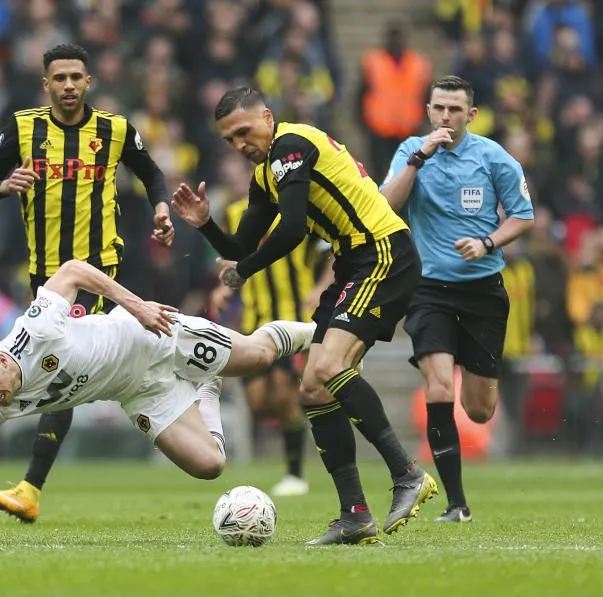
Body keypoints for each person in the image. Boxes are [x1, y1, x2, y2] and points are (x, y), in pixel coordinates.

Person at [171, 87, 438, 546]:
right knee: (313, 388)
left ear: (267, 117)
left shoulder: (291, 146)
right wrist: (205, 225)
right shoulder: (268, 173)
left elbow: (292, 230)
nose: (240, 144)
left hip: (381, 254)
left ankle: (408, 475)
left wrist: (242, 274)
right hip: (352, 264)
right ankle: (355, 514)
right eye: (230, 140)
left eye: (244, 131)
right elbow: (240, 245)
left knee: (330, 369)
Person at [0, 259, 315, 547]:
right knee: (210, 466)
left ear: (0, 356)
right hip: (139, 392)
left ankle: (324, 331)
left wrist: (137, 308)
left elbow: (73, 270)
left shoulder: (34, 331)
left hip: (154, 338)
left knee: (259, 356)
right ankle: (206, 385)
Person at [0, 43, 174, 523]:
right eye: (58, 78)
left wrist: (162, 208)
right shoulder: (23, 128)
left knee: (58, 368)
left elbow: (153, 174)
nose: (67, 86)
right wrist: (4, 186)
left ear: (88, 82)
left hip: (99, 273)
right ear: (46, 83)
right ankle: (34, 483)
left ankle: (31, 486)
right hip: (46, 277)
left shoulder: (115, 130)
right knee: (61, 370)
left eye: (75, 77)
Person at [379, 75, 535, 523]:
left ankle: (457, 494)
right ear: (428, 110)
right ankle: (456, 504)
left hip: (483, 289)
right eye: (438, 108)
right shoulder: (412, 150)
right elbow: (386, 205)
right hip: (427, 289)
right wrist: (417, 159)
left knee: (480, 409)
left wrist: (487, 242)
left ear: (471, 114)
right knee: (439, 385)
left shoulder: (493, 157)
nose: (445, 116)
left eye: (454, 109)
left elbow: (524, 216)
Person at [209, 197, 323, 497]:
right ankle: (302, 420)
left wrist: (321, 287)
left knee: (285, 396)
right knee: (258, 403)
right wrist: (225, 286)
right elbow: (236, 259)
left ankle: (295, 475)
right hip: (254, 322)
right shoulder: (234, 212)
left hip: (294, 320)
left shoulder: (298, 209)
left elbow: (331, 252)